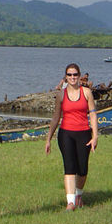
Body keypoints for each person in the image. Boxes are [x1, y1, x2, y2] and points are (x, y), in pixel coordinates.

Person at [45, 63, 98, 211]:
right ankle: (70, 202)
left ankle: (79, 195)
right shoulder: (61, 95)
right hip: (66, 133)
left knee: (82, 168)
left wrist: (95, 136)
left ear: (79, 76)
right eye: (69, 75)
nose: (72, 77)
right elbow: (56, 117)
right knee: (69, 167)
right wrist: (48, 138)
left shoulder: (86, 92)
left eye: (75, 75)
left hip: (84, 132)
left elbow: (93, 114)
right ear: (66, 77)